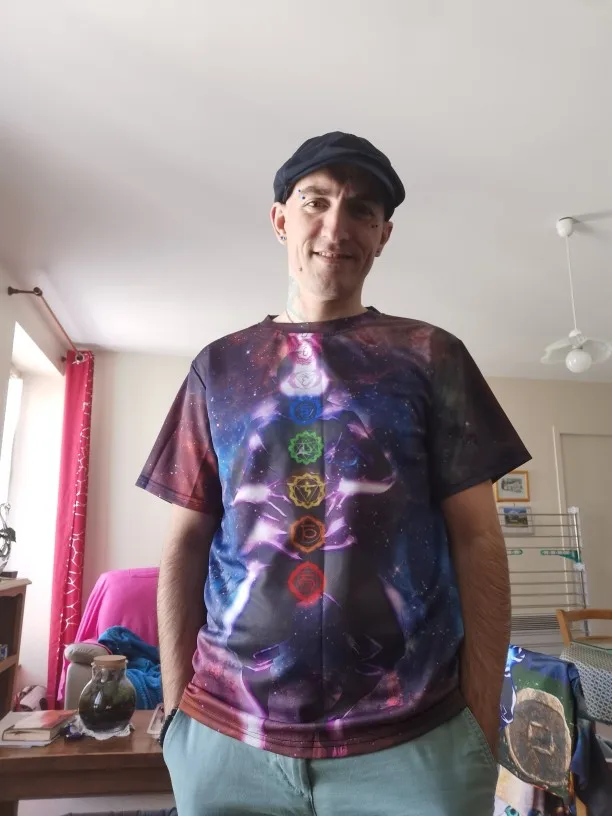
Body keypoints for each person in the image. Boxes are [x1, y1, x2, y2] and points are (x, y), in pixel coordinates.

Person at [137, 131, 530, 815]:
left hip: (416, 744)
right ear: (280, 219)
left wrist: (480, 717)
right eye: (315, 202)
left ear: (383, 235)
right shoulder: (217, 368)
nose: (336, 226)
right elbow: (185, 543)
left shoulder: (433, 357)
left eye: (362, 210)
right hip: (228, 740)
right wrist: (177, 716)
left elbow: (478, 540)